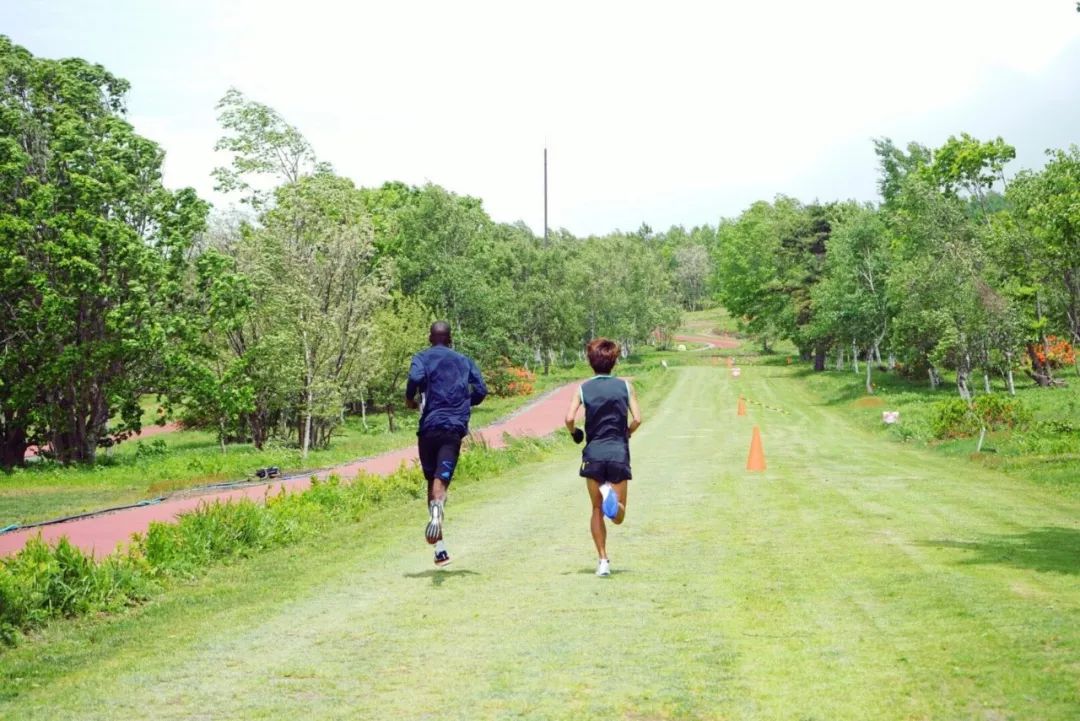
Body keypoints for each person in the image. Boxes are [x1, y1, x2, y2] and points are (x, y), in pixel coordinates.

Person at [406, 321, 487, 567]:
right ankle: (438, 508)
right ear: (450, 339)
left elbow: (415, 377)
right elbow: (481, 390)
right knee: (441, 481)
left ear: (430, 338)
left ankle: (440, 548)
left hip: (428, 427)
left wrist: (409, 398)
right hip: (453, 427)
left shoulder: (421, 358)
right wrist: (465, 402)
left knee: (431, 481)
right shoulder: (464, 360)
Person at [564, 338, 642, 576]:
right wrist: (626, 433)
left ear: (590, 362)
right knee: (618, 516)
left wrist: (576, 433)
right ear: (614, 361)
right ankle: (610, 495)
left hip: (594, 453)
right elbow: (638, 419)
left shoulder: (582, 388)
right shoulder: (625, 386)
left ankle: (603, 561)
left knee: (596, 508)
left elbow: (569, 419)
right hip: (618, 452)